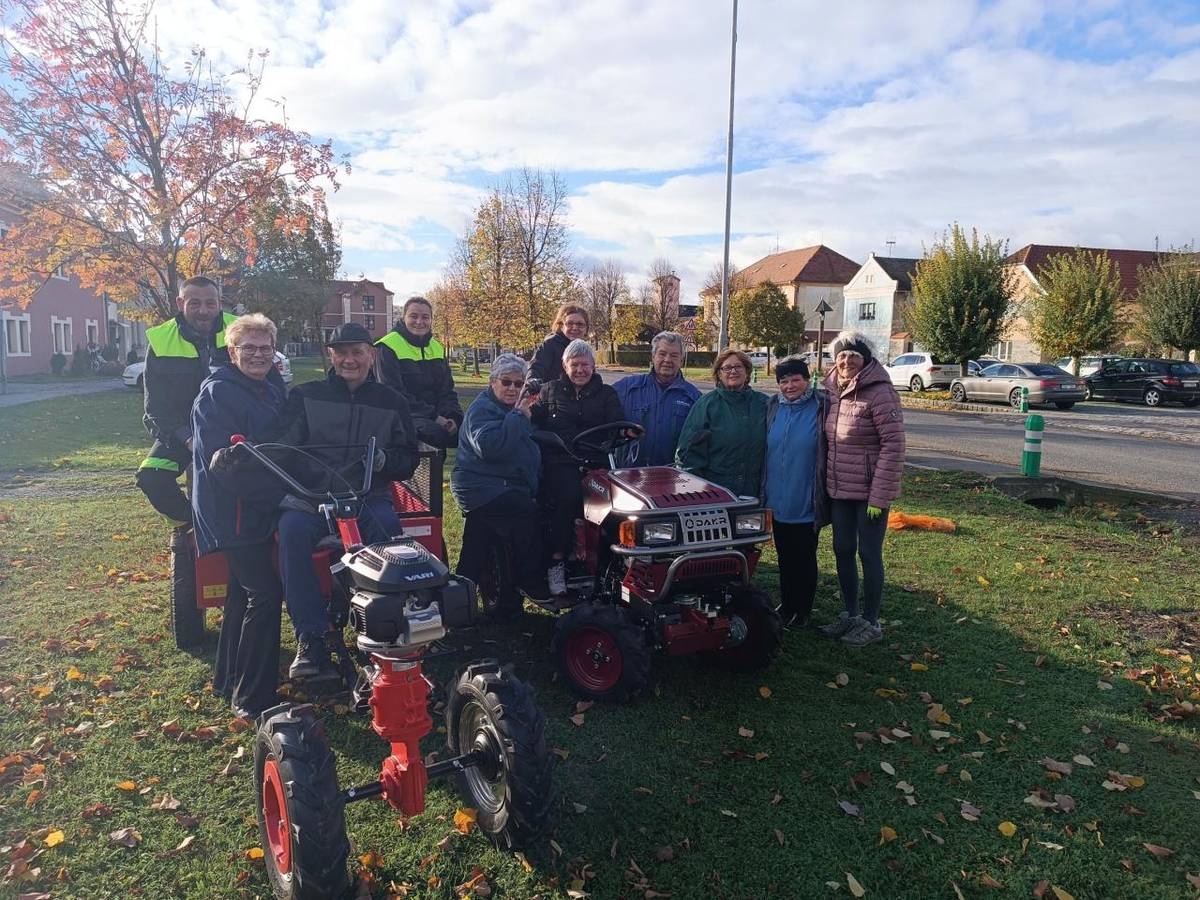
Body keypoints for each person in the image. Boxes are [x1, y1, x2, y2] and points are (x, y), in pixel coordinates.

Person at [270, 322, 418, 678]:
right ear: (331, 356)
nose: (349, 360)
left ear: (371, 355)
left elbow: (408, 458)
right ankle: (312, 638)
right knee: (291, 532)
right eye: (342, 353)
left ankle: (385, 631)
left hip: (367, 495)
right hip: (312, 498)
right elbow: (281, 445)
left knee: (390, 537)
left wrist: (385, 460)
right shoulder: (305, 396)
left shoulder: (392, 402)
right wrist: (248, 453)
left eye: (357, 352)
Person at [191, 314, 287, 718]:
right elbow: (223, 464)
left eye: (265, 348)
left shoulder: (271, 387)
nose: (258, 354)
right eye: (249, 348)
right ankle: (252, 698)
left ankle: (228, 676)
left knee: (243, 593)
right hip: (231, 508)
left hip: (258, 503)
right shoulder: (217, 394)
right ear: (232, 352)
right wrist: (275, 495)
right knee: (265, 593)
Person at [817, 331, 905, 648]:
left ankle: (871, 621)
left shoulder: (880, 393)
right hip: (840, 491)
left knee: (869, 554)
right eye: (842, 355)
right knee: (842, 549)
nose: (847, 360)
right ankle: (850, 614)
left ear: (866, 359)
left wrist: (879, 496)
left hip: (869, 495)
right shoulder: (832, 392)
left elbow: (893, 446)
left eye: (854, 355)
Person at [137, 276, 239, 524]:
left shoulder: (239, 330)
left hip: (235, 427)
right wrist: (188, 440)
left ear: (219, 303)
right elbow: (155, 408)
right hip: (184, 432)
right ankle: (189, 525)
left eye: (210, 303)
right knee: (152, 476)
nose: (203, 311)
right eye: (194, 303)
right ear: (180, 303)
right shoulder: (161, 340)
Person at [451, 354, 548, 612]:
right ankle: (531, 580)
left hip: (503, 485)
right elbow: (491, 448)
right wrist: (518, 416)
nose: (513, 389)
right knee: (527, 512)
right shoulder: (482, 409)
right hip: (480, 486)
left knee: (479, 539)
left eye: (519, 384)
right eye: (507, 382)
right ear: (493, 382)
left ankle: (462, 598)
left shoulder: (514, 408)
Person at [532, 339, 625, 595]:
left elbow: (618, 423)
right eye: (575, 365)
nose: (581, 370)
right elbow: (533, 422)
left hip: (598, 461)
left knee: (619, 503)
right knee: (569, 496)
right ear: (565, 365)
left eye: (586, 365)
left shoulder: (607, 395)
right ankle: (557, 561)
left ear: (594, 367)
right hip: (561, 461)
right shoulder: (549, 391)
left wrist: (619, 433)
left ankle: (615, 562)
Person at [762, 356, 829, 629]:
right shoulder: (773, 406)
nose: (790, 386)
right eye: (784, 381)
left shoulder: (821, 406)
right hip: (776, 495)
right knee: (783, 555)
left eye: (795, 379)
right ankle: (787, 603)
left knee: (804, 556)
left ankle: (802, 609)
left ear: (807, 378)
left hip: (806, 495)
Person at [675, 348, 769, 498]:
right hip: (716, 491)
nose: (733, 371)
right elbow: (688, 452)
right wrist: (694, 491)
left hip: (755, 491)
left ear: (747, 372)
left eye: (738, 367)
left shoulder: (764, 403)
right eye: (727, 368)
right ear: (719, 374)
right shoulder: (707, 404)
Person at [375, 295, 463, 448]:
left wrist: (452, 417)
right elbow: (393, 394)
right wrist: (435, 417)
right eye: (413, 316)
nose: (419, 322)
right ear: (403, 318)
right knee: (435, 434)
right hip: (402, 416)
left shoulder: (436, 347)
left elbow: (446, 391)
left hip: (434, 417)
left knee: (468, 431)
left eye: (425, 317)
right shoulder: (388, 346)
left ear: (431, 320)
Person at [612, 330, 700, 466]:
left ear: (681, 360)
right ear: (653, 356)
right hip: (629, 477)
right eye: (662, 354)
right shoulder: (627, 388)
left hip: (673, 478)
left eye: (674, 355)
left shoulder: (694, 398)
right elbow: (600, 410)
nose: (667, 360)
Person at [529, 303, 589, 383]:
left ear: (586, 328)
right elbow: (537, 368)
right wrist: (533, 380)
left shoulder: (585, 349)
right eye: (570, 323)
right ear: (561, 326)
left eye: (580, 324)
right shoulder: (550, 345)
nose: (575, 328)